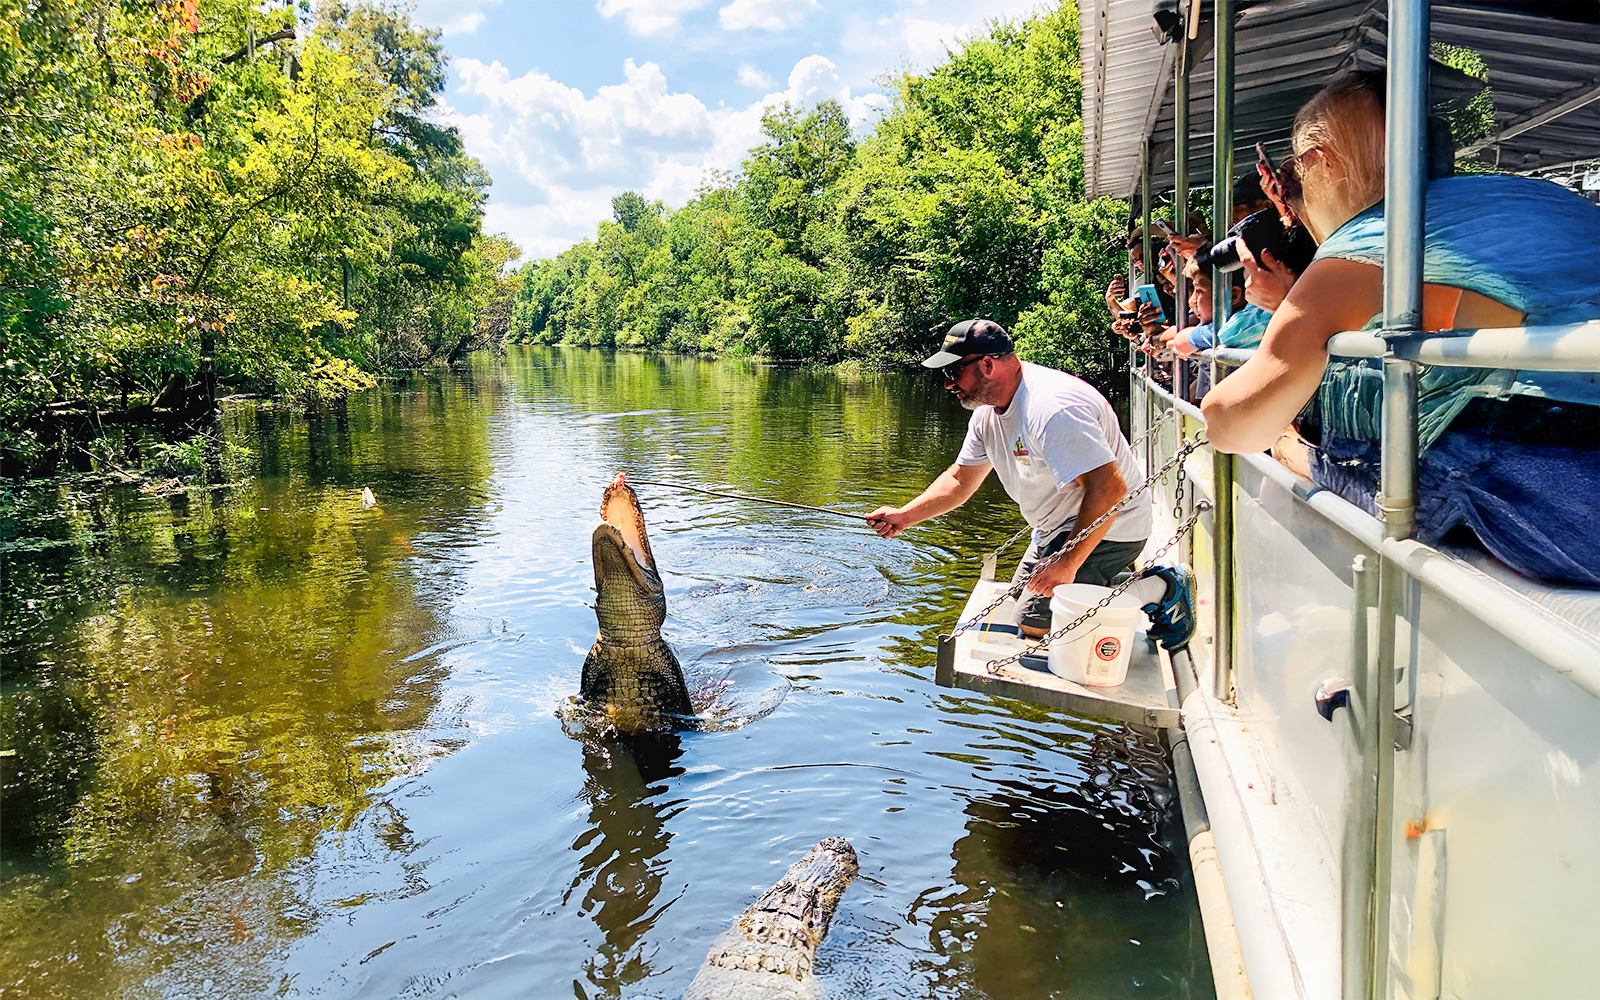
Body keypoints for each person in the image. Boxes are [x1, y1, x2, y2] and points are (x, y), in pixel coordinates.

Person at [1201, 70, 1600, 586]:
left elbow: (1233, 421)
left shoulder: (1367, 243)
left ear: (1320, 160)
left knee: (1363, 462)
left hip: (1567, 487)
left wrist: (1286, 447)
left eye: (1294, 173)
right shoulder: (1544, 200)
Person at [866, 319, 1196, 648]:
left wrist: (1067, 562)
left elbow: (1110, 489)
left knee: (1037, 627)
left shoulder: (1052, 410)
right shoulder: (987, 415)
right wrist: (904, 516)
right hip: (1056, 528)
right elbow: (960, 480)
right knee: (1019, 608)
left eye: (953, 373)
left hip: (1114, 527)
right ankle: (1110, 582)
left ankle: (1161, 587)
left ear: (987, 365)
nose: (948, 385)